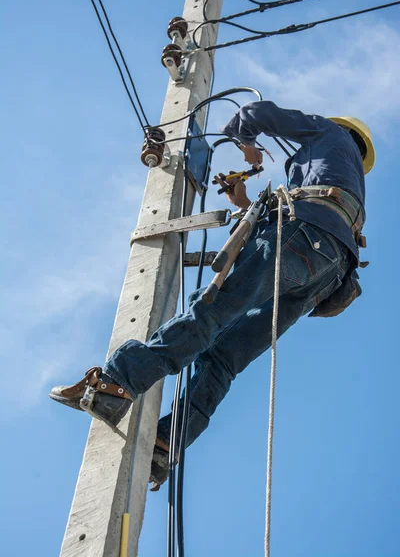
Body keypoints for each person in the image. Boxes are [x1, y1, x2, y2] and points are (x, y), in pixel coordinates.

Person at [50, 100, 375, 488]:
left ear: (342, 131)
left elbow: (252, 114)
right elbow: (288, 246)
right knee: (224, 358)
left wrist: (248, 144)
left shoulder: (326, 132)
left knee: (211, 312)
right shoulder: (349, 188)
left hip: (302, 238)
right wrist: (242, 203)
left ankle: (117, 383)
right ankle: (166, 443)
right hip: (324, 274)